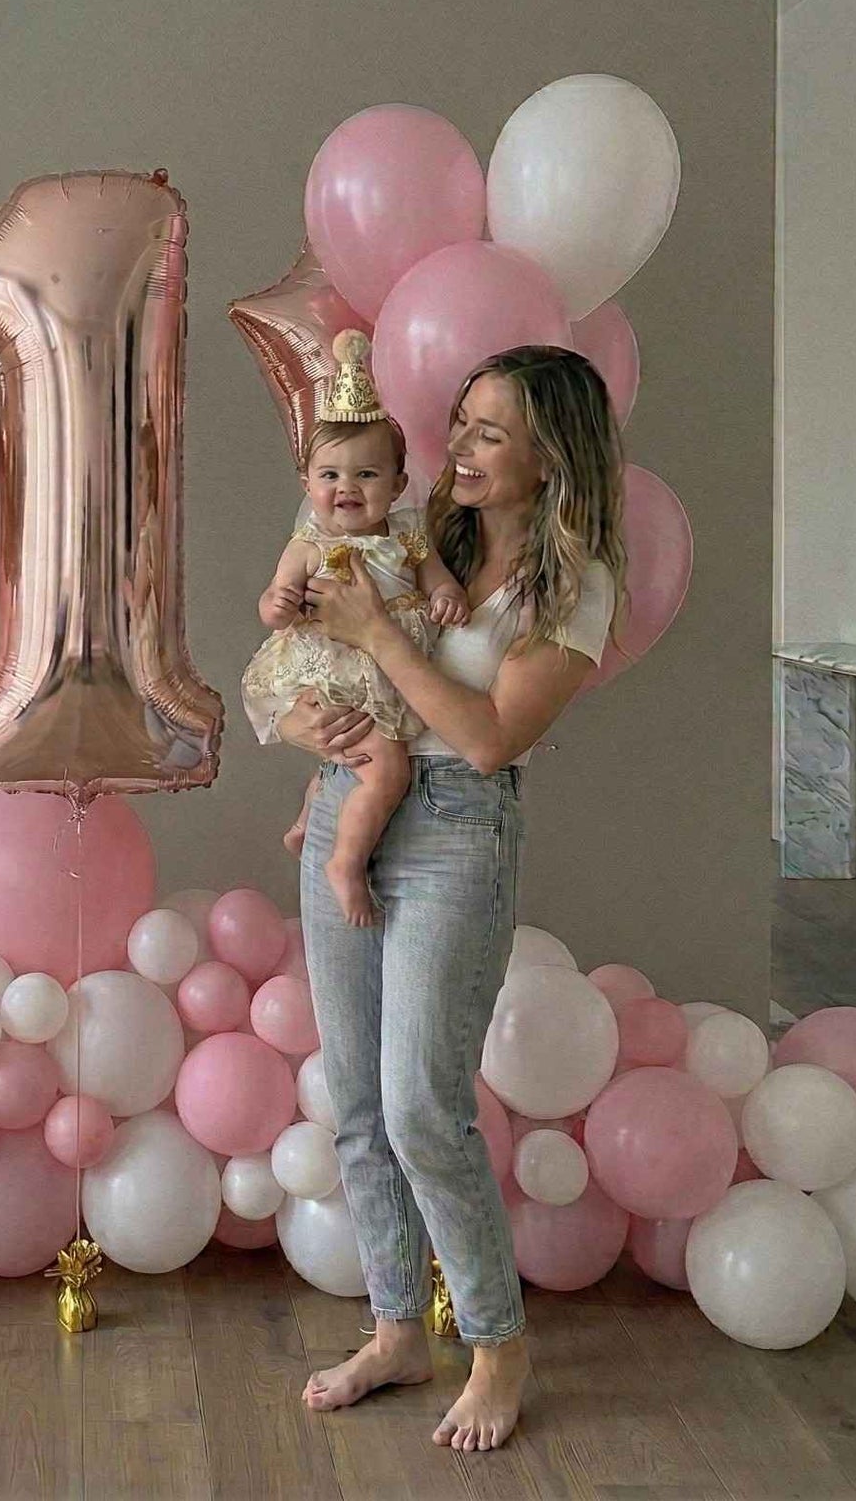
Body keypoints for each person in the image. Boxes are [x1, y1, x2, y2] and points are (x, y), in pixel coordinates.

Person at [282, 344, 626, 1454]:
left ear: (548, 455)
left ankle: (495, 1345)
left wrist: (374, 634)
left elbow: (483, 736)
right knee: (355, 1102)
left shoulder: (571, 585)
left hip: (452, 834)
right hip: (351, 800)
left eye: (488, 431)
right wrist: (310, 746)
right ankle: (394, 1328)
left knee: (423, 1104)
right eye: (462, 423)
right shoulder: (425, 536)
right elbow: (316, 657)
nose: (459, 447)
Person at [241, 332, 468, 926]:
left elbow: (440, 581)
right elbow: (271, 607)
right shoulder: (308, 544)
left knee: (349, 761)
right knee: (383, 767)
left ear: (397, 486)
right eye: (331, 474)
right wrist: (282, 601)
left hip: (386, 669)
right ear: (307, 484)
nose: (347, 488)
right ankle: (346, 861)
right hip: (332, 670)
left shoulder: (408, 538)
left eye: (367, 474)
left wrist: (445, 597)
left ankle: (307, 820)